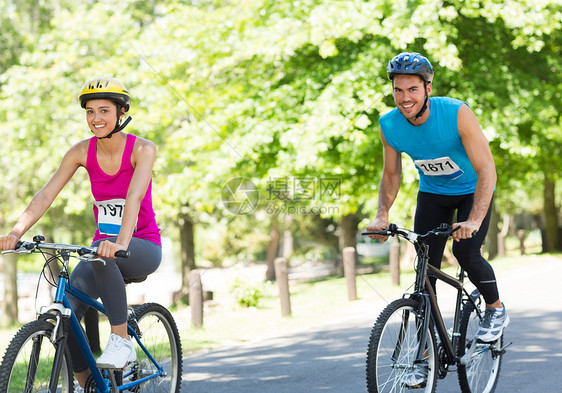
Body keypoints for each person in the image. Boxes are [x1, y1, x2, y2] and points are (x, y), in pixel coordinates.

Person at [0, 77, 162, 390]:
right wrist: (15, 232)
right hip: (101, 250)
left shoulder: (143, 148)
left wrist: (120, 244)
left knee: (103, 257)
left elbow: (134, 197)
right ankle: (90, 384)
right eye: (90, 111)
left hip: (141, 245)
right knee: (66, 313)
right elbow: (46, 194)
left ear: (122, 112)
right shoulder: (80, 152)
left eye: (104, 110)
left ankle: (121, 339)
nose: (96, 118)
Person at [367, 52, 509, 387]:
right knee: (423, 267)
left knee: (466, 253)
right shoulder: (389, 124)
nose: (405, 98)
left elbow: (488, 170)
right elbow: (391, 174)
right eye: (399, 90)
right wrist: (381, 215)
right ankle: (424, 355)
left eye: (413, 89)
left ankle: (495, 307)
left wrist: (474, 219)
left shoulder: (456, 113)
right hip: (433, 193)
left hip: (473, 189)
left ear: (428, 86)